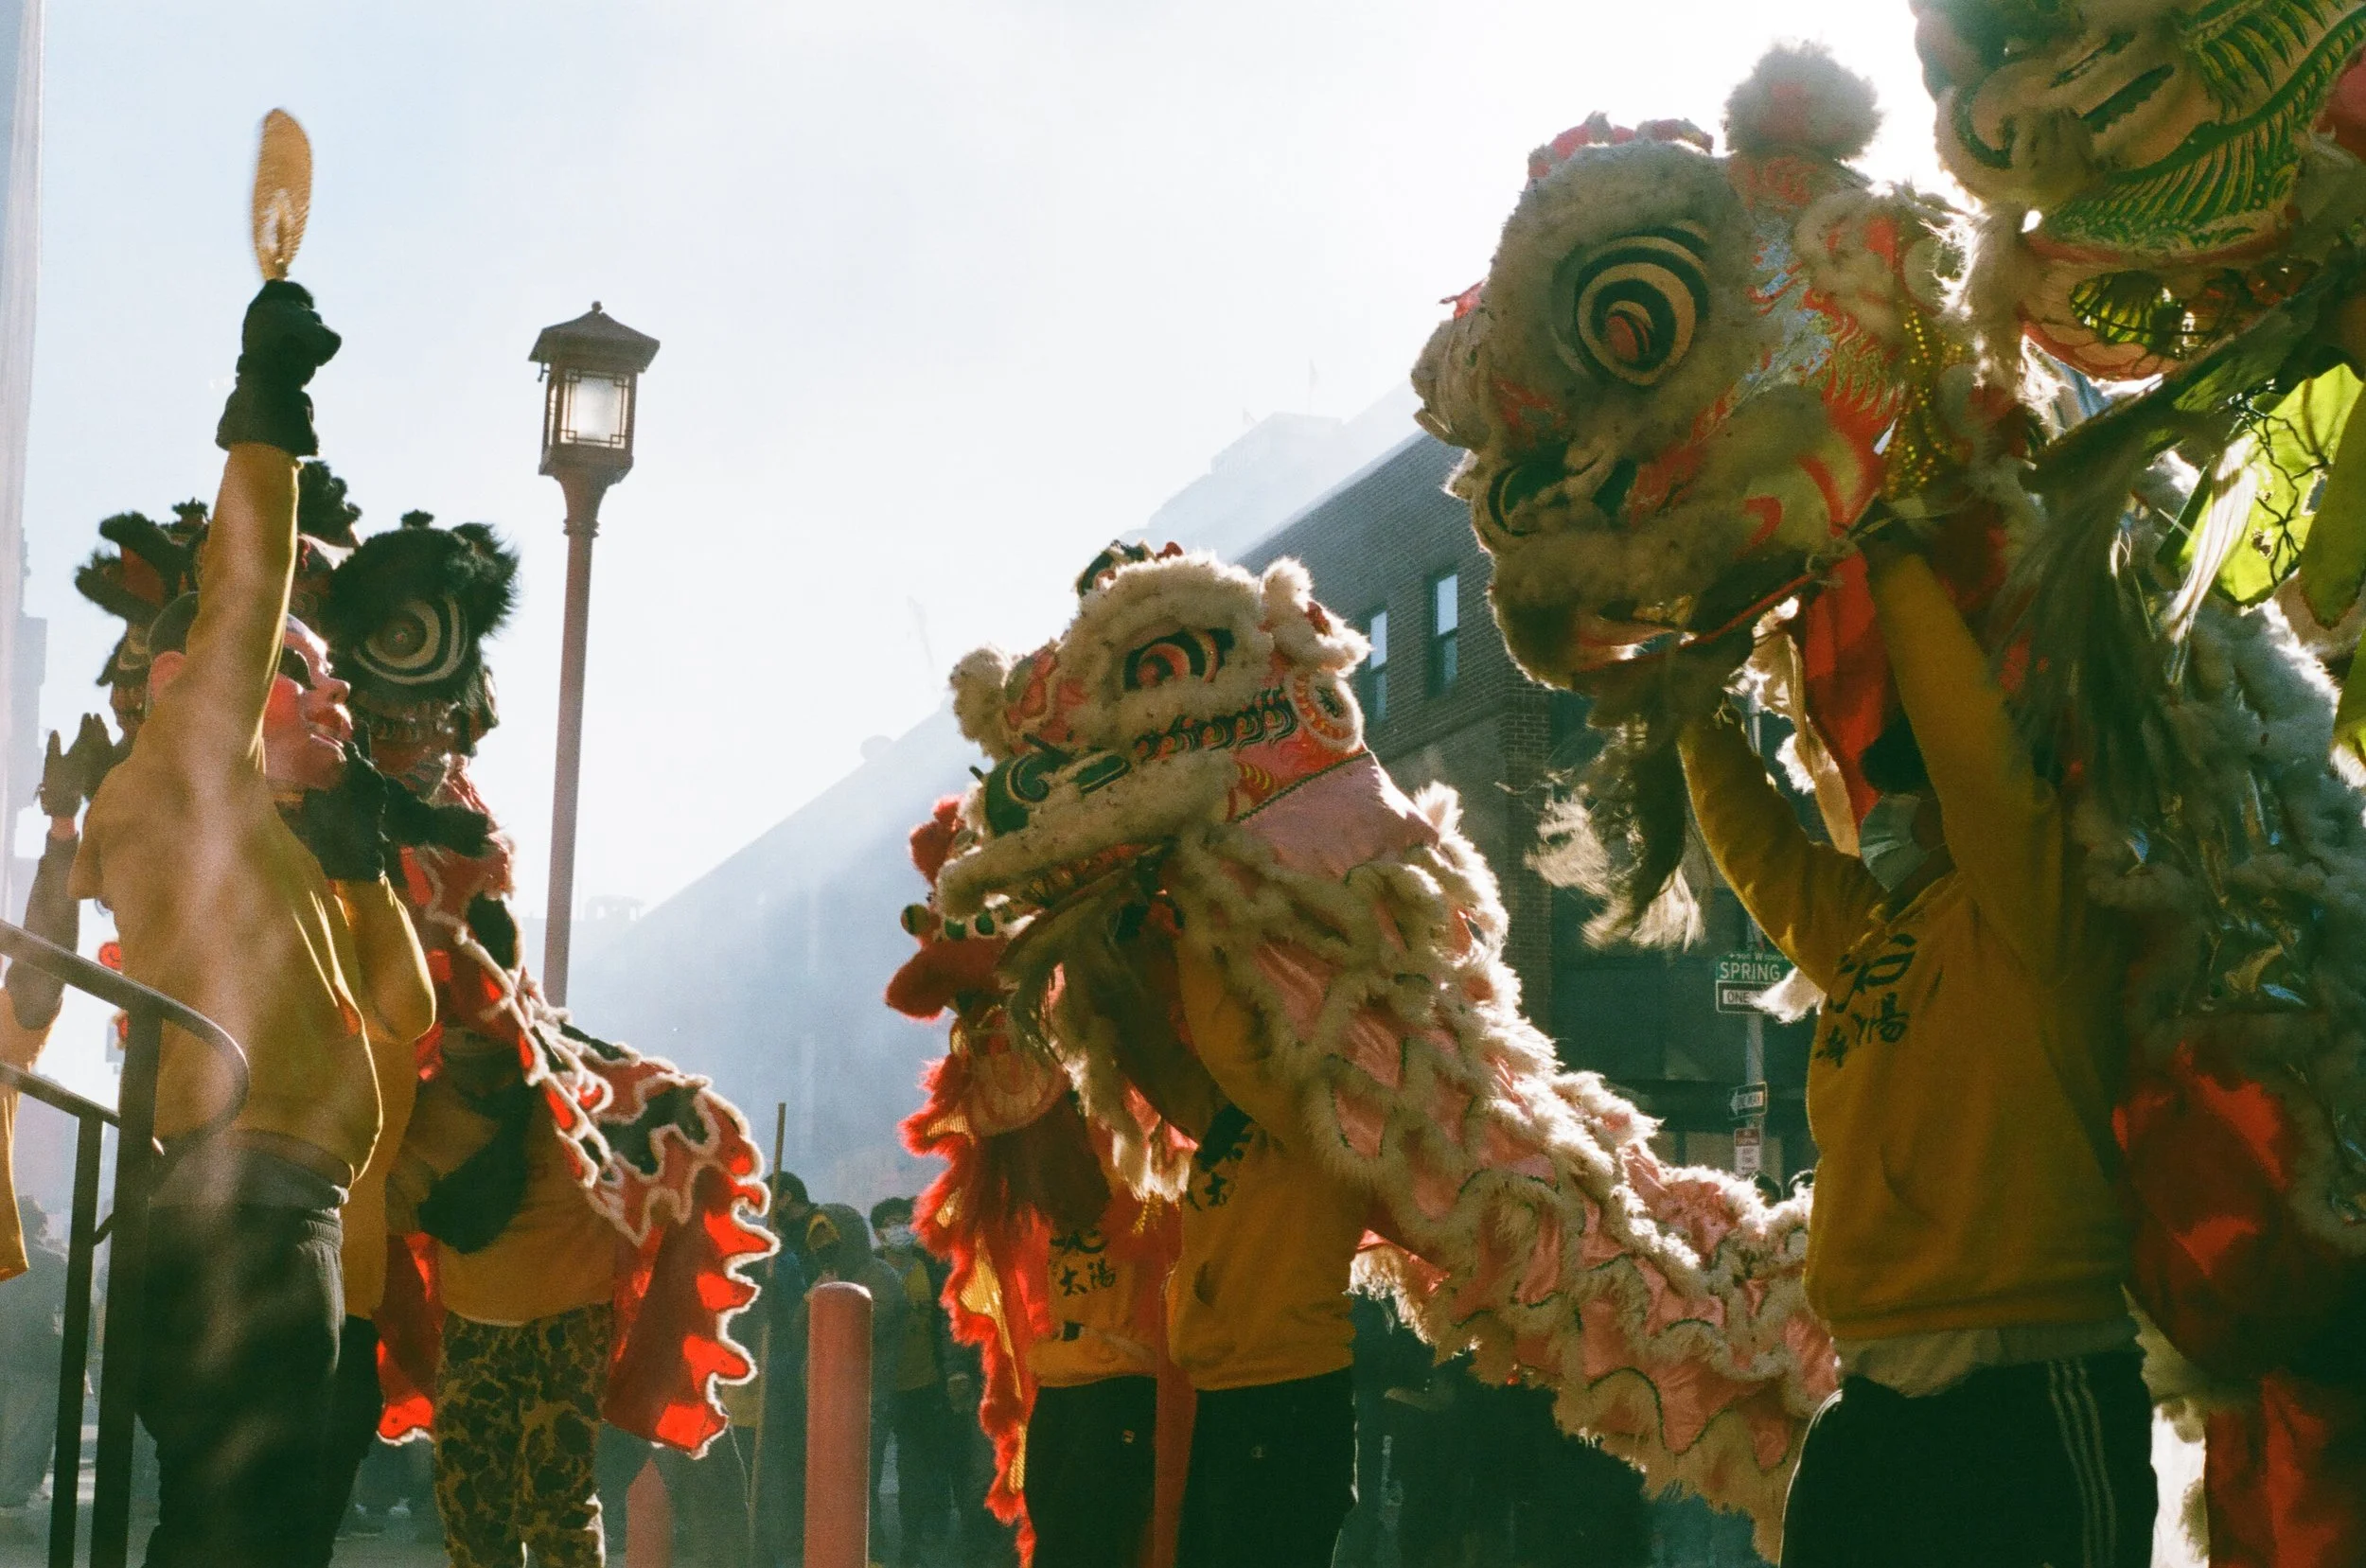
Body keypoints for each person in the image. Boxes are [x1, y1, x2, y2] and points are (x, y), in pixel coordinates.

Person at [1677, 533, 2154, 1566]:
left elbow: (1981, 763)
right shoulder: (1873, 927)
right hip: (1876, 1394)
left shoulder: (2043, 910)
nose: (1893, 808)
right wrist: (1692, 700)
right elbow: (1760, 851)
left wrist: (1891, 557)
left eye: (1917, 786)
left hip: (2026, 1387)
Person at [70, 278, 437, 1568]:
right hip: (243, 1206)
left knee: (257, 1538)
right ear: (181, 682)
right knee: (239, 1540)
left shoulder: (269, 843)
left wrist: (364, 866)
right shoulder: (179, 779)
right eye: (297, 669)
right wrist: (268, 409)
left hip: (290, 1209)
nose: (326, 693)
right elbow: (243, 589)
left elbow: (404, 1014)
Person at [388, 1029, 621, 1568]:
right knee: (476, 1505)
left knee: (550, 1505)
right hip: (482, 1326)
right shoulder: (429, 1109)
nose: (481, 1085)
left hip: (565, 1321)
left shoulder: (575, 1089)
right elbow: (394, 1207)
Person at [804, 1205, 909, 1526]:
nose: (824, 1248)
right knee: (833, 1482)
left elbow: (869, 1326)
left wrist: (832, 1301)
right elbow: (800, 1331)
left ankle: (870, 1545)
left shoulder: (879, 1276)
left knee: (860, 1481)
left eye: (830, 1240)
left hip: (868, 1394)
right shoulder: (828, 1276)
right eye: (818, 1242)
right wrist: (810, 1301)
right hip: (830, 1398)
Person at [871, 1195, 956, 1566]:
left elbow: (946, 1320)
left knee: (915, 1469)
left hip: (924, 1383)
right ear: (879, 1232)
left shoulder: (931, 1268)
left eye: (906, 1221)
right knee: (869, 1469)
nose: (901, 1229)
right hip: (883, 1385)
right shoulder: (870, 1272)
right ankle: (872, 1545)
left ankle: (913, 1542)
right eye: (892, 1223)